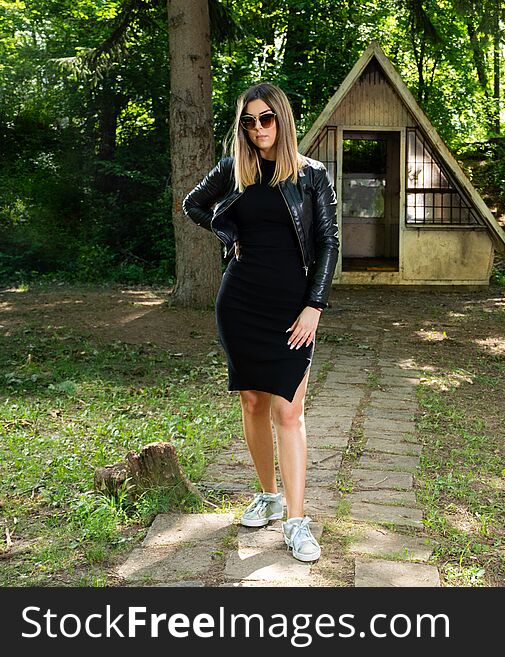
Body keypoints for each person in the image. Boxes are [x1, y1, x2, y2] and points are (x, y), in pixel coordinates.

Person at [181, 82, 339, 562]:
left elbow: (330, 244)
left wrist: (315, 306)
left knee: (289, 411)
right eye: (248, 122)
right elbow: (194, 204)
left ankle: (296, 520)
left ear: (283, 120)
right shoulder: (233, 169)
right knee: (252, 401)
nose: (257, 129)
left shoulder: (312, 175)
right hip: (241, 300)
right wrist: (226, 232)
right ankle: (268, 496)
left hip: (294, 307)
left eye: (265, 119)